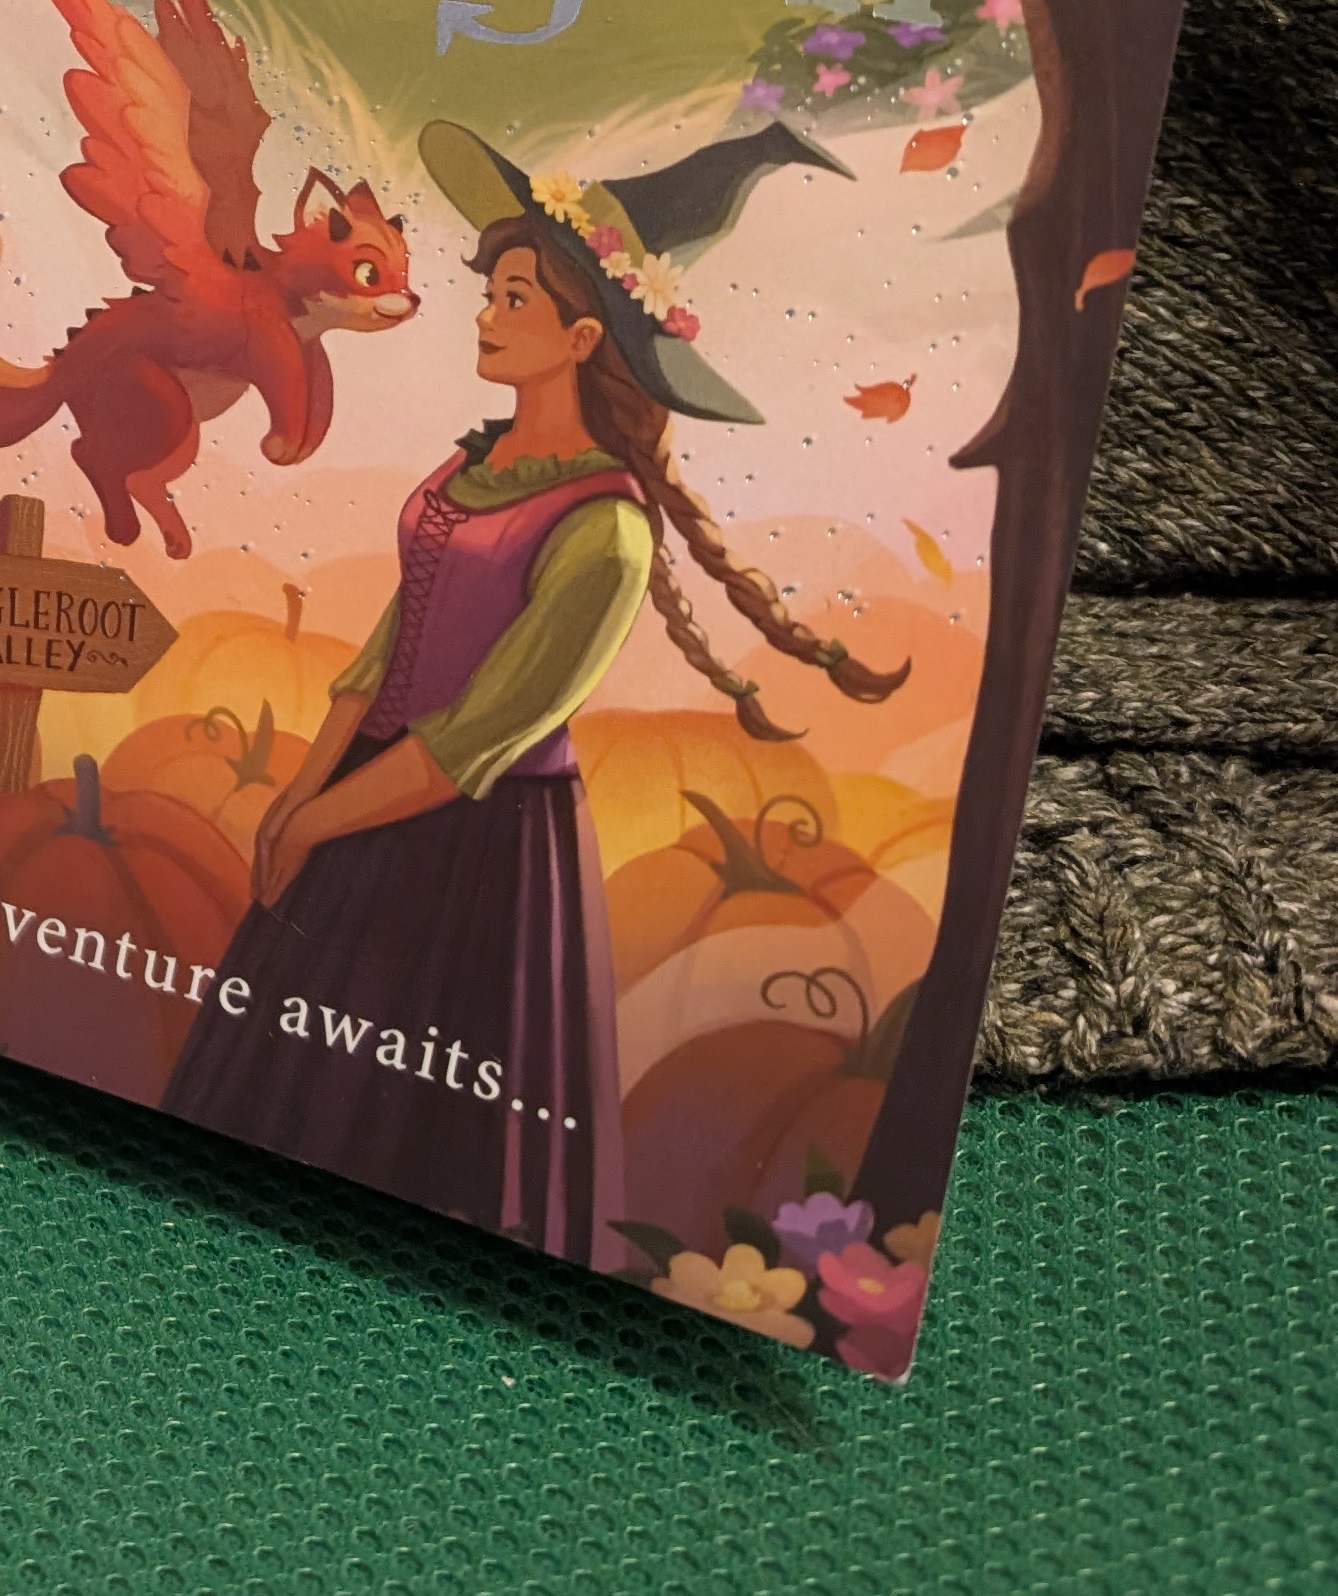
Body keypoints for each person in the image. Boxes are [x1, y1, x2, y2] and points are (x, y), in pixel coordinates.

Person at [155, 119, 901, 1257]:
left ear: (582, 335)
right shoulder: (469, 464)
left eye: (513, 298)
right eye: (490, 292)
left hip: (477, 850)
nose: (485, 315)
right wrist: (296, 798)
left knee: (417, 1135)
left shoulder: (606, 531)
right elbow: (381, 654)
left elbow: (478, 736)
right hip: (358, 804)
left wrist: (315, 818)